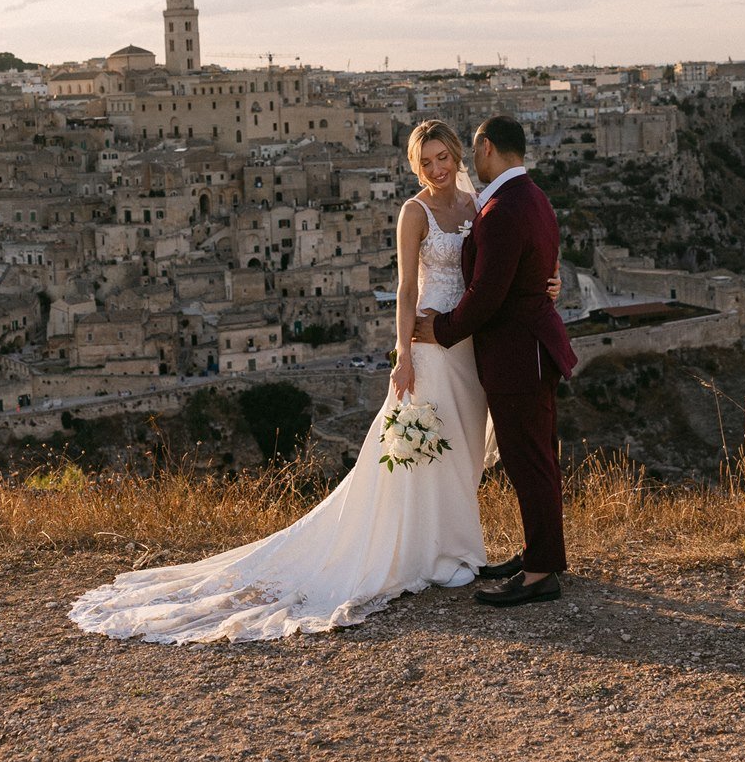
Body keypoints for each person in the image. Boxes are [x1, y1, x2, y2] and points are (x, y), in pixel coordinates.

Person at [66, 119, 559, 643]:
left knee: (458, 450)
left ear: (460, 153)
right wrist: (403, 356)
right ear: (415, 167)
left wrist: (543, 283)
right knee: (424, 452)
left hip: (467, 348)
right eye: (426, 162)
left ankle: (461, 549)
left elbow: (508, 258)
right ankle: (425, 553)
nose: (437, 169)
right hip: (431, 344)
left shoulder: (476, 202)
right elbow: (404, 288)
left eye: (442, 158)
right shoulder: (413, 212)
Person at [414, 114, 579, 608]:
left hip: (517, 352)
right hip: (528, 347)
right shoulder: (532, 195)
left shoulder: (505, 207)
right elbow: (539, 262)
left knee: (529, 460)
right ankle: (541, 555)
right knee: (537, 457)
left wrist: (439, 330)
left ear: (484, 147)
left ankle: (540, 573)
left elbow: (487, 292)